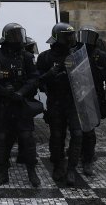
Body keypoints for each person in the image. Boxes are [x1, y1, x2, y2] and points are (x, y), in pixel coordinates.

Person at [0, 22, 41, 187]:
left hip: (21, 105)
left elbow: (34, 78)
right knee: (2, 140)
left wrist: (21, 92)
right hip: (3, 105)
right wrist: (3, 91)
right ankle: (3, 173)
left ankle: (32, 172)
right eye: (14, 35)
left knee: (28, 139)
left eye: (19, 35)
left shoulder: (27, 57)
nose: (18, 39)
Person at [37, 22, 84, 185]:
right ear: (58, 38)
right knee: (57, 136)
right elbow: (38, 81)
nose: (70, 39)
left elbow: (87, 78)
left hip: (74, 102)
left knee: (77, 134)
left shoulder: (77, 54)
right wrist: (51, 76)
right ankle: (58, 165)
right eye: (67, 36)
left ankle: (71, 168)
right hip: (56, 102)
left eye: (72, 35)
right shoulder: (45, 57)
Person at [77, 26, 106, 177]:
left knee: (89, 130)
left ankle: (88, 159)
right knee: (78, 129)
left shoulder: (99, 55)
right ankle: (80, 153)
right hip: (77, 95)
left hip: (94, 95)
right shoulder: (75, 53)